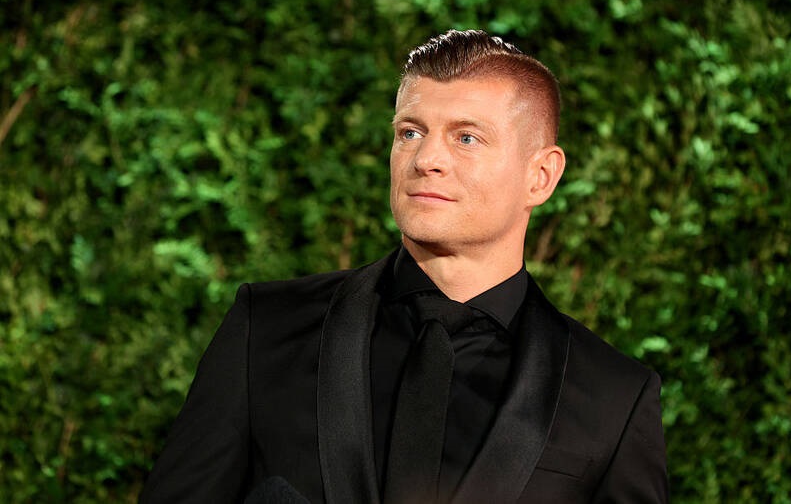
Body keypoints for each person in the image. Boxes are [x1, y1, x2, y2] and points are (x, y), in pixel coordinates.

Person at [140, 29, 669, 503]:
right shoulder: (266, 329)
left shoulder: (613, 397)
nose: (425, 159)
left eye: (466, 137)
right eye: (410, 132)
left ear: (541, 176)